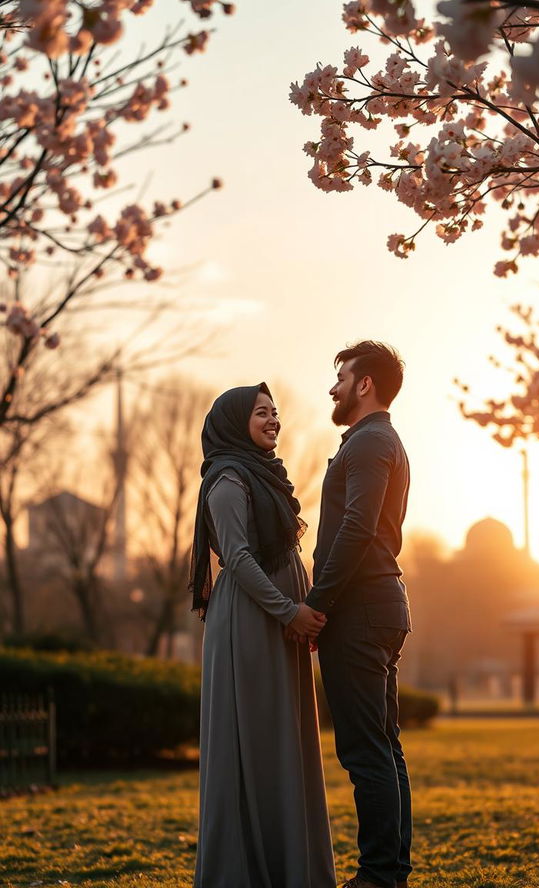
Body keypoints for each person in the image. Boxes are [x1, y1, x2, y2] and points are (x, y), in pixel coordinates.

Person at [189, 383, 335, 888]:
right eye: (261, 412)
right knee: (255, 744)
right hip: (251, 627)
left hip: (282, 623)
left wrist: (309, 605)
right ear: (234, 421)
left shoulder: (266, 477)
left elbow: (285, 556)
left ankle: (294, 868)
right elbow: (239, 560)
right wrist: (288, 612)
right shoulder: (228, 481)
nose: (273, 420)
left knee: (285, 741)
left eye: (276, 413)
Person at [306, 341, 413, 888]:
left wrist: (317, 604)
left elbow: (358, 528)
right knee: (383, 744)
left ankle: (376, 875)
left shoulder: (370, 442)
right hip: (376, 605)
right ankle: (390, 871)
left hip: (362, 608)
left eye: (342, 376)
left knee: (365, 748)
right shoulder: (376, 440)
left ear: (364, 384)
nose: (334, 387)